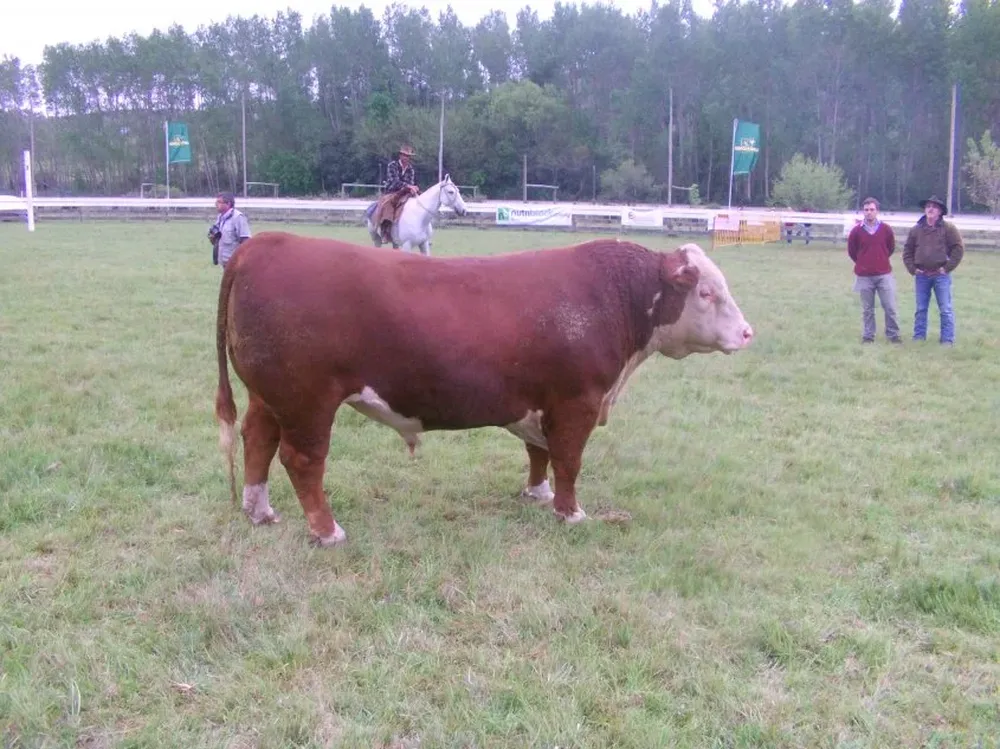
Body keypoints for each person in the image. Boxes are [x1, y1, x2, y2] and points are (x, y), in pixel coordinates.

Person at [902, 194, 964, 346]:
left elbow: (958, 249)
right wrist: (912, 269)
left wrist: (947, 268)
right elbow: (907, 251)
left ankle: (947, 340)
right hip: (921, 275)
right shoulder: (916, 229)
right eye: (928, 206)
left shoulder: (949, 228)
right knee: (921, 309)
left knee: (945, 309)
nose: (930, 209)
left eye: (934, 207)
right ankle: (918, 338)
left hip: (941, 275)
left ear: (940, 212)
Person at [847, 197, 900, 344]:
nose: (869, 212)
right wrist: (864, 262)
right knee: (867, 309)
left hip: (884, 274)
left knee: (890, 306)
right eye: (866, 210)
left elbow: (890, 248)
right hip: (864, 276)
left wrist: (880, 260)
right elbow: (852, 251)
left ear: (877, 211)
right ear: (862, 211)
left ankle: (893, 335)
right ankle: (868, 336)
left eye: (872, 209)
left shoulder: (886, 230)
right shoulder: (856, 231)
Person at [372, 145, 419, 243]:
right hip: (392, 191)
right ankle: (385, 232)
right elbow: (394, 181)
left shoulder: (411, 169)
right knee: (388, 204)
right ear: (400, 156)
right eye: (405, 155)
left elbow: (410, 181)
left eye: (408, 156)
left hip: (405, 192)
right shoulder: (392, 165)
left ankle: (419, 232)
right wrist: (408, 186)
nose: (407, 158)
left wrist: (413, 188)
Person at [209, 191, 252, 267]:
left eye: (219, 202)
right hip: (224, 261)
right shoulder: (220, 217)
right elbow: (218, 239)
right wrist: (213, 238)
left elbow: (245, 240)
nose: (216, 204)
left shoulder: (238, 217)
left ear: (228, 204)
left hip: (235, 263)